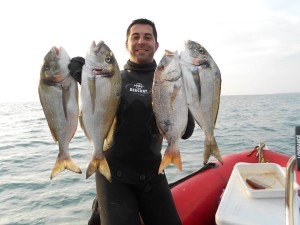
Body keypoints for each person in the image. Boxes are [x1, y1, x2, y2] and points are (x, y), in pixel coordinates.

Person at [68, 18, 195, 225]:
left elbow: (187, 132)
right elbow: (95, 108)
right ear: (126, 44)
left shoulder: (168, 79)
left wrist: (182, 95)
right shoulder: (111, 79)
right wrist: (87, 80)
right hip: (112, 175)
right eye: (135, 37)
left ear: (156, 45)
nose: (141, 41)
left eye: (147, 37)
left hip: (153, 173)